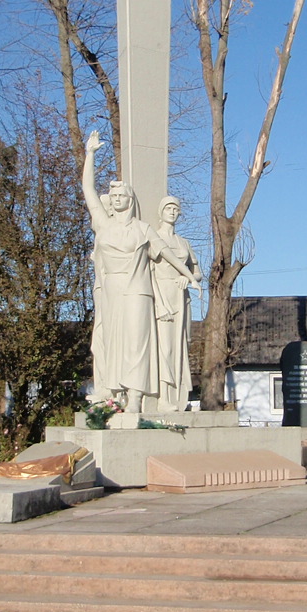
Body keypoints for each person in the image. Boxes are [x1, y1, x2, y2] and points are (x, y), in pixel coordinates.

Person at [81, 131, 196, 414]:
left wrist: (190, 276)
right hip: (111, 292)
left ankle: (136, 397)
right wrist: (91, 155)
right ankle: (117, 396)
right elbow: (88, 190)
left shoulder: (143, 229)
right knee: (115, 343)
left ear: (130, 200)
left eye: (122, 195)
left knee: (137, 343)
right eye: (115, 195)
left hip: (138, 292)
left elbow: (167, 254)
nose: (117, 199)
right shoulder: (103, 226)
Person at [152, 196, 201, 412]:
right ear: (160, 211)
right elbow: (148, 272)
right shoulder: (154, 238)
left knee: (182, 346)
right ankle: (163, 396)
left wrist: (188, 278)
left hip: (182, 297)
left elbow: (197, 273)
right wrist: (159, 302)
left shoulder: (184, 243)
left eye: (175, 209)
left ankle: (180, 397)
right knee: (165, 347)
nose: (172, 212)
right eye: (168, 208)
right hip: (162, 295)